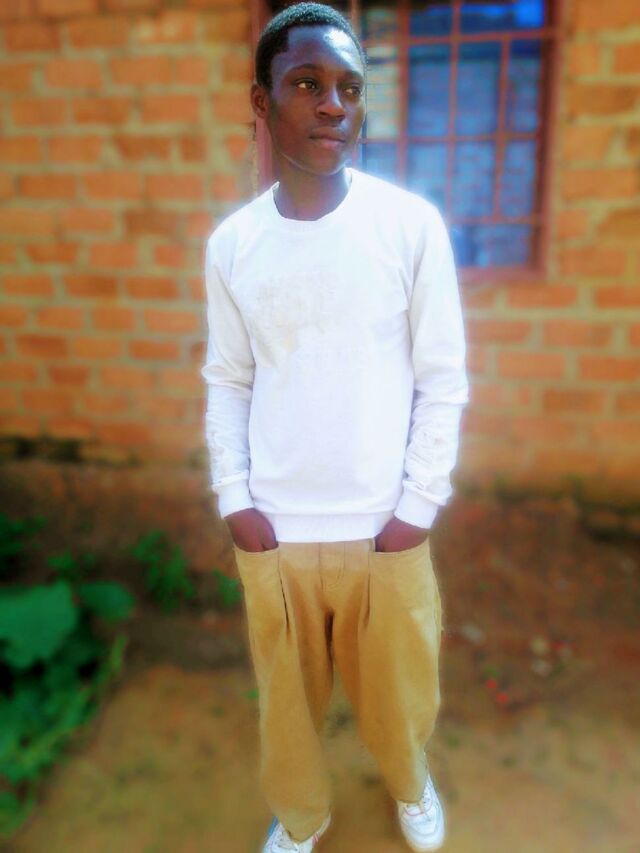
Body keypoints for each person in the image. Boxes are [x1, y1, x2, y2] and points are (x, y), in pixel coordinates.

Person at [200, 3, 469, 851]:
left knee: (400, 694)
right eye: (306, 84)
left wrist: (415, 510)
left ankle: (410, 783)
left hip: (384, 527)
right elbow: (230, 377)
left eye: (349, 89)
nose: (332, 105)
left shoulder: (408, 228)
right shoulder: (234, 246)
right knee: (286, 706)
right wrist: (236, 498)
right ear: (261, 101)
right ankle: (301, 813)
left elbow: (442, 378)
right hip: (276, 532)